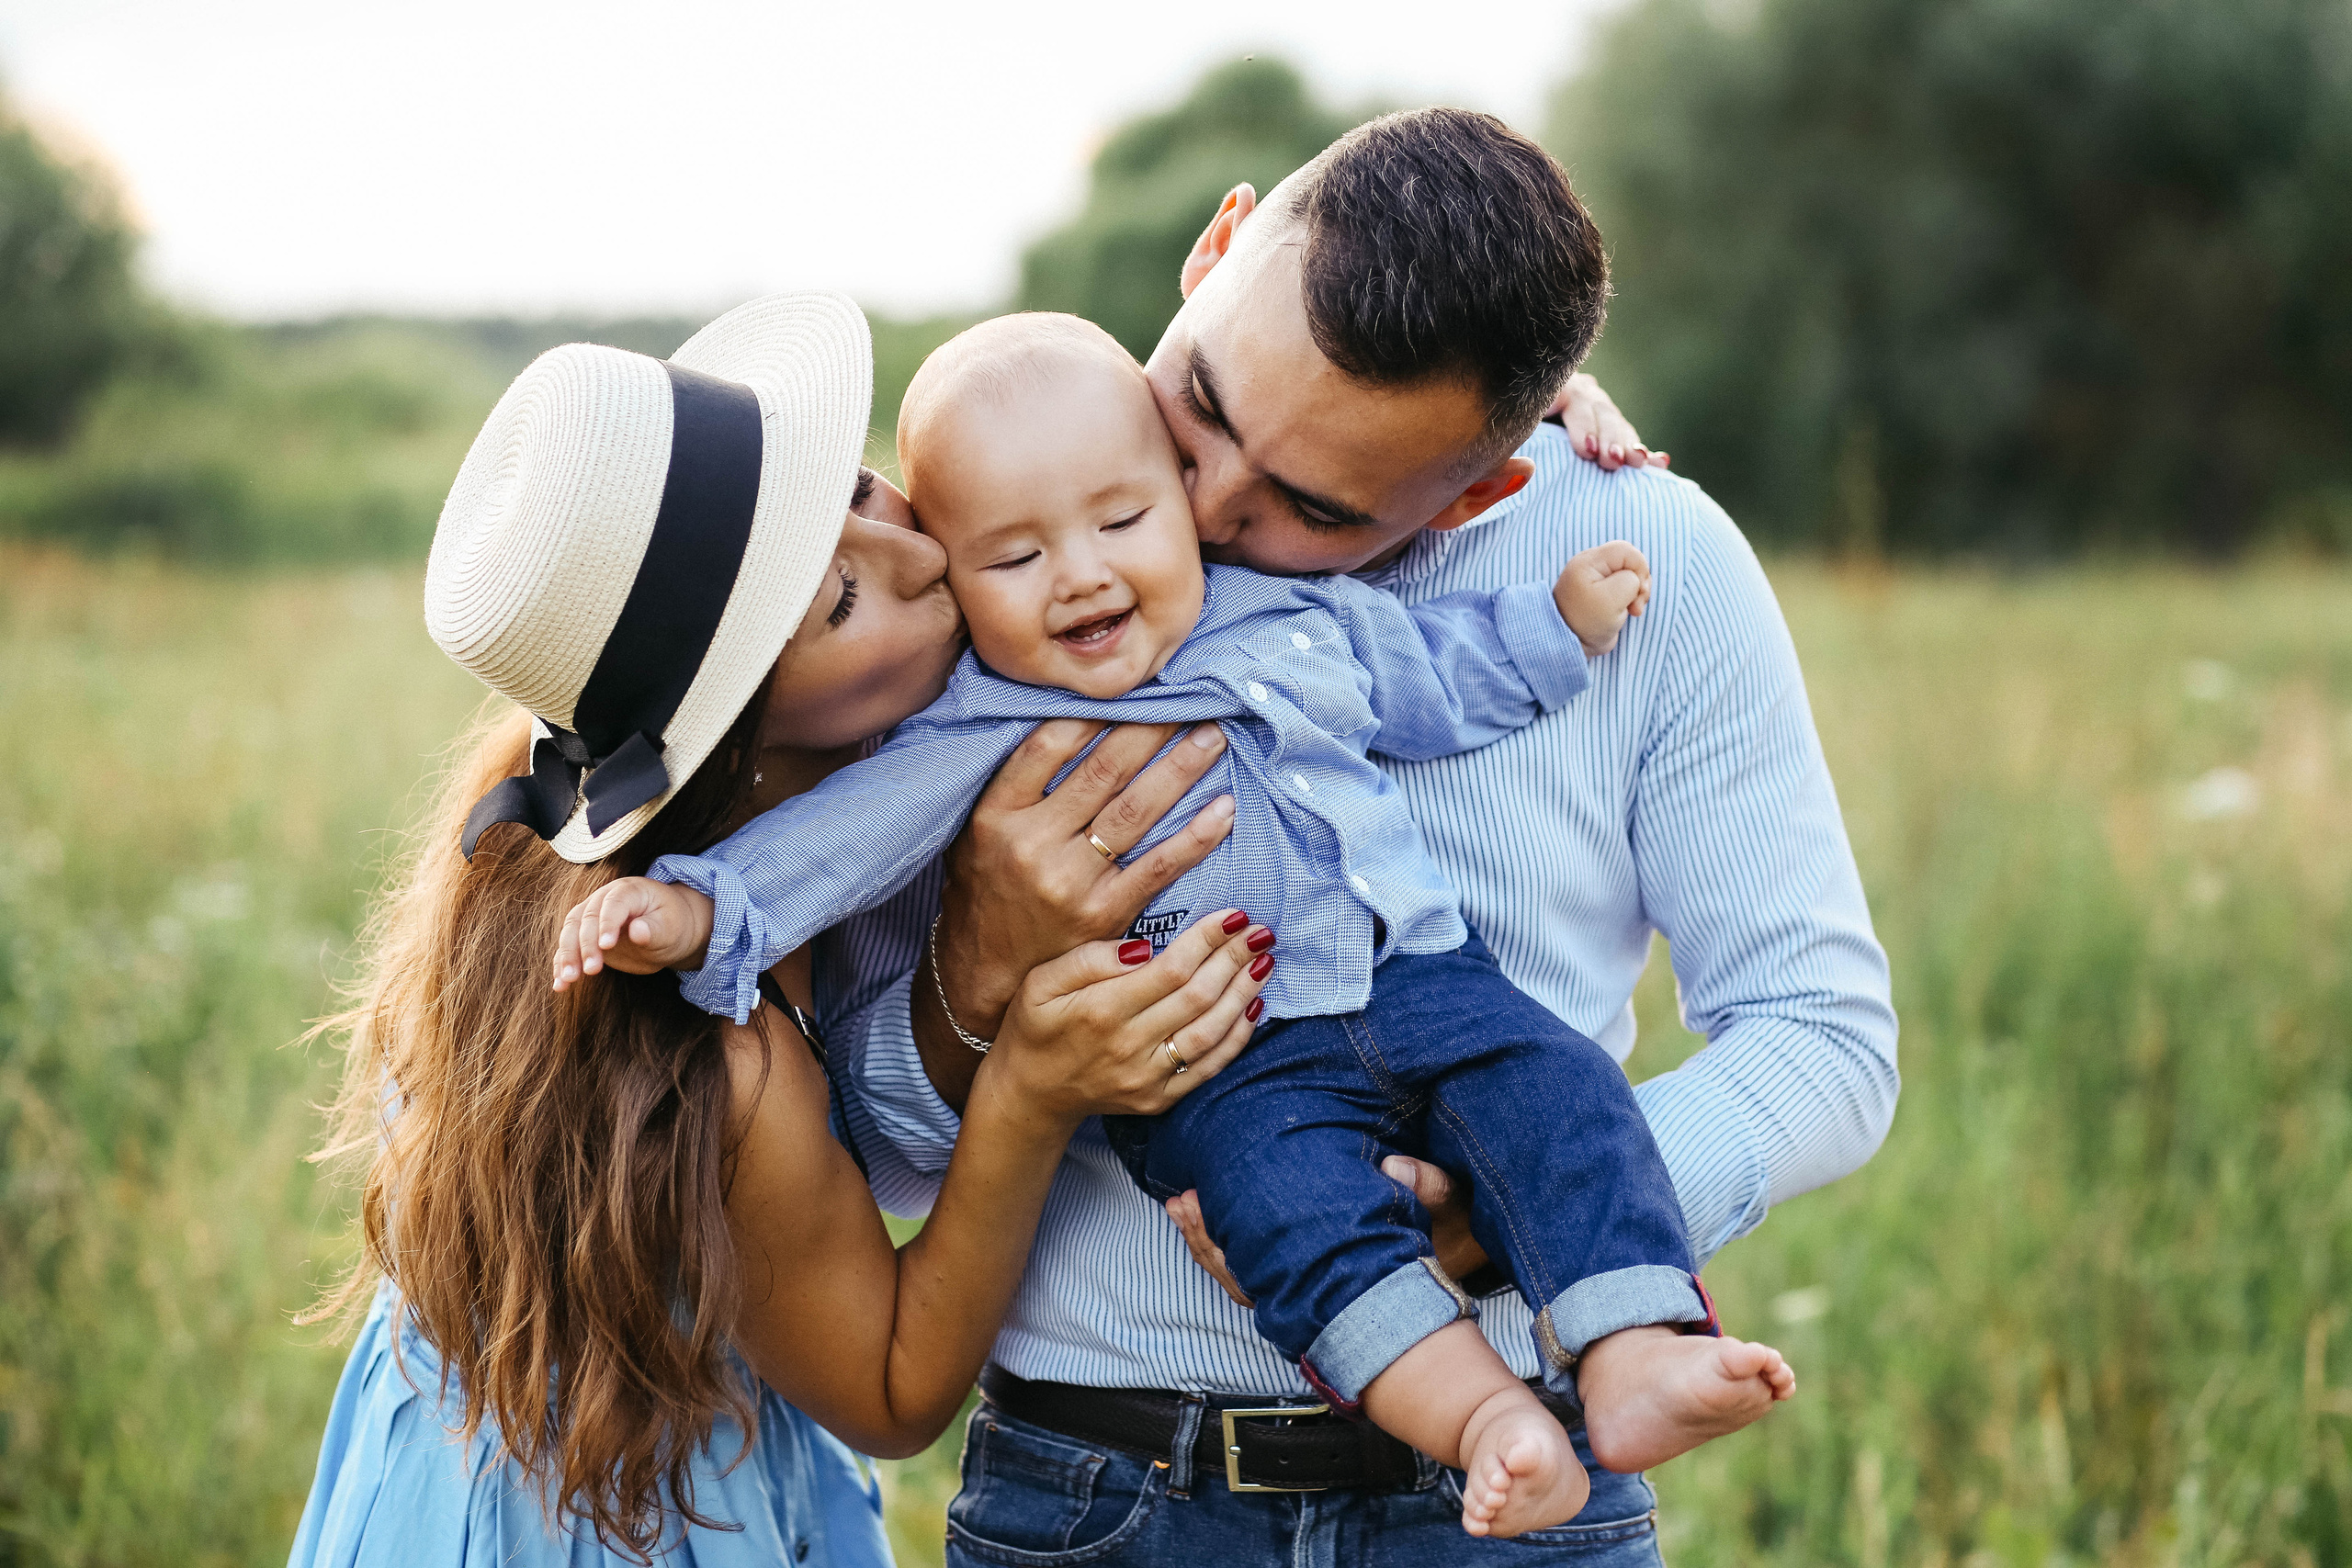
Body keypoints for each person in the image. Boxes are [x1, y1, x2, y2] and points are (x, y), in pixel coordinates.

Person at [747, 110, 1900, 1565]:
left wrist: (1503, 1204)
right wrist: (972, 974)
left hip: (1515, 1501)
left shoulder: (1651, 560)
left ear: (1481, 488)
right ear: (1214, 249)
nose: (1207, 511)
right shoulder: (1022, 547)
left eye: (1310, 504)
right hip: (1100, 1496)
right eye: (1207, 408)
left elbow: (1823, 1039)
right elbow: (876, 1156)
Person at [560, 310, 1798, 1537]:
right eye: (1010, 556)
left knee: (1565, 1088)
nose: (1084, 573)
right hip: (1227, 1059)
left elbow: (1430, 666)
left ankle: (1634, 1349)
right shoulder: (971, 722)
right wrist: (698, 907)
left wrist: (1554, 598)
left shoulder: (1279, 606)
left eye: (1120, 523)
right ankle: (1482, 1422)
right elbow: (840, 854)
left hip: (1421, 973)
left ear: (1184, 492)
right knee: (1285, 1214)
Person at [285, 292, 1277, 1568]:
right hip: (620, 1523)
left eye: (861, 494)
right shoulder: (712, 1045)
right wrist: (1031, 1085)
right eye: (846, 602)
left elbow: (1088, 452)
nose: (929, 556)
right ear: (743, 741)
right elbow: (891, 1390)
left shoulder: (578, 862)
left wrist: (1539, 419)